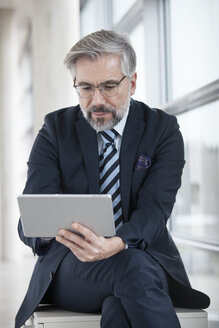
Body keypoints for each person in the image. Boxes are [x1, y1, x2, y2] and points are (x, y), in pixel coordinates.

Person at [15, 29, 210, 328]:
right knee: (131, 271)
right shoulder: (55, 129)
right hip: (73, 269)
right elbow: (31, 219)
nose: (96, 101)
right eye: (85, 88)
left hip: (143, 258)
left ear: (131, 82)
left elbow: (155, 211)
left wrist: (118, 242)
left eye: (108, 86)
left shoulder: (162, 130)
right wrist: (45, 229)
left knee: (120, 305)